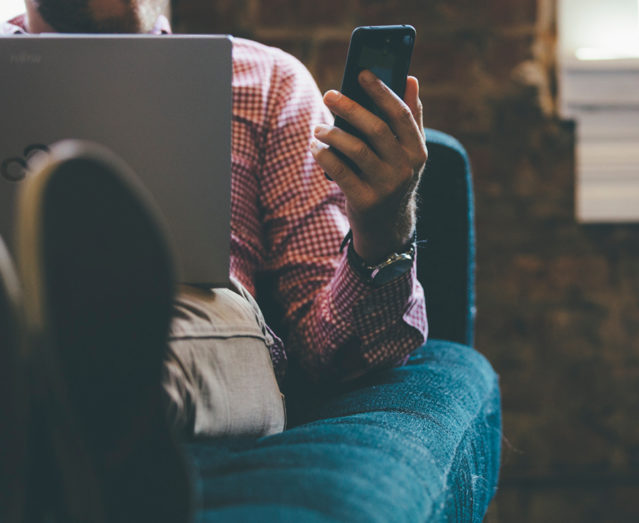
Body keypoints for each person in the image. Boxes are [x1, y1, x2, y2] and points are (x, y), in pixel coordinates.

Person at [0, 0, 432, 520]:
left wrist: (382, 229)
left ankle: (55, 404)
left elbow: (330, 353)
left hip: (198, 313)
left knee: (181, 316)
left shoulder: (268, 82)